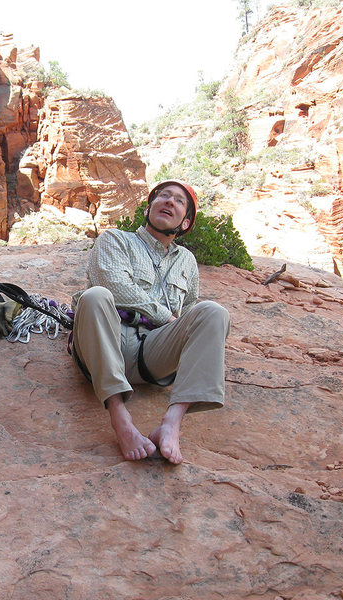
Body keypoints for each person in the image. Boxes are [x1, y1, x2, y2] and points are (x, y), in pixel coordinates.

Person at [72, 179, 230, 464]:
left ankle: (171, 422)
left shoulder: (187, 262)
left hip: (154, 352)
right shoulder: (115, 240)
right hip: (107, 342)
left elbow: (190, 311)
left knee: (213, 313)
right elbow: (114, 285)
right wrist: (166, 317)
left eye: (179, 201)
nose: (169, 201)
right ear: (148, 208)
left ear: (184, 223)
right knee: (95, 296)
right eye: (163, 196)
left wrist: (180, 329)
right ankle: (120, 418)